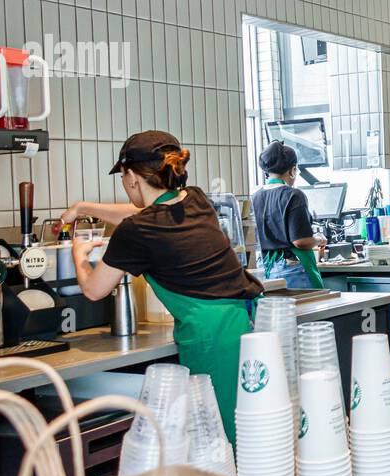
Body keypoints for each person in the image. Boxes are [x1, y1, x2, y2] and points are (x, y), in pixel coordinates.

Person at [61, 130, 264, 443]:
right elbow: (147, 212)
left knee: (220, 441)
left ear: (131, 177)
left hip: (211, 336)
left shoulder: (136, 231)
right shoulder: (196, 199)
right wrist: (84, 208)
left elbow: (94, 289)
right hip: (249, 321)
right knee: (254, 431)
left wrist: (79, 256)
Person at [251, 141, 327, 290]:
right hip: (290, 269)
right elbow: (300, 241)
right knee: (304, 312)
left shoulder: (255, 197)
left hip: (264, 267)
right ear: (293, 170)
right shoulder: (293, 195)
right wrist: (319, 239)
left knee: (279, 313)